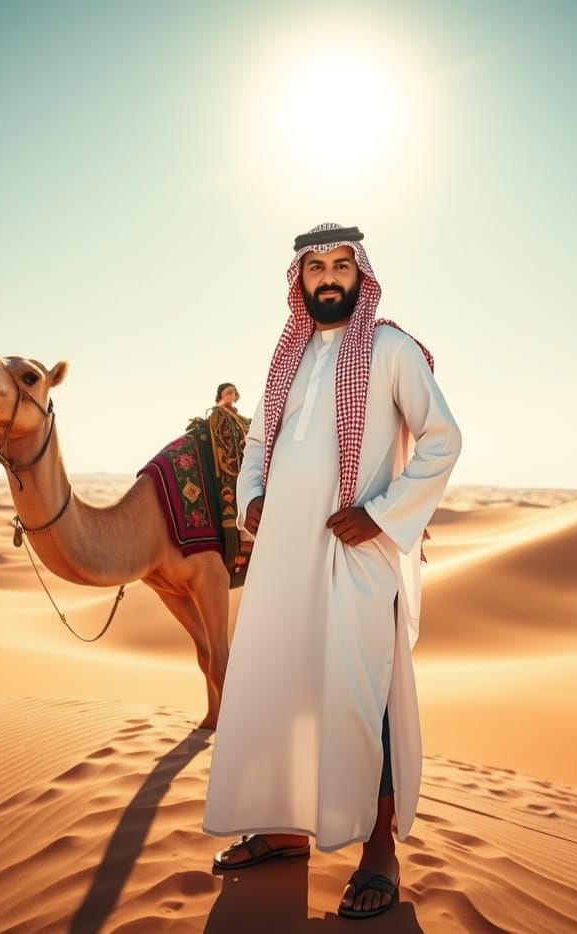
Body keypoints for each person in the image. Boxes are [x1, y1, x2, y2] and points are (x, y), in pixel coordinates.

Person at [202, 222, 462, 920]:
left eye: (340, 265)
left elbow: (442, 439)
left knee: (359, 696)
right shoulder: (287, 358)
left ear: (360, 274)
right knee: (282, 685)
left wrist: (382, 513)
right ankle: (285, 828)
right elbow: (259, 441)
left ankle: (379, 851)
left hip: (356, 556)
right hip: (284, 558)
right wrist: (251, 495)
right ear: (299, 279)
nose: (327, 277)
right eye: (314, 266)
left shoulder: (387, 349)